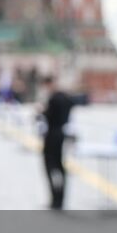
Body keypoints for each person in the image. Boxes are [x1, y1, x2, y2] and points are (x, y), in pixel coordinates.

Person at [40, 76, 73, 210]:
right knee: (59, 166)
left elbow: (49, 116)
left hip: (52, 135)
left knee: (51, 167)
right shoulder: (65, 97)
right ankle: (60, 197)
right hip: (61, 134)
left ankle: (56, 198)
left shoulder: (54, 99)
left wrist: (42, 111)